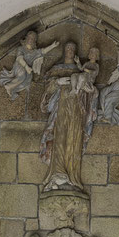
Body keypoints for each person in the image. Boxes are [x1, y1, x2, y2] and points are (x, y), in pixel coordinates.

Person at [38, 42, 99, 192]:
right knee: (60, 137)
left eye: (73, 49)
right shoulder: (56, 69)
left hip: (77, 109)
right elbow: (47, 90)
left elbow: (91, 90)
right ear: (64, 51)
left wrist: (88, 89)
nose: (70, 51)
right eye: (68, 48)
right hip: (61, 107)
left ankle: (73, 177)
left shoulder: (83, 71)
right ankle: (57, 172)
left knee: (74, 139)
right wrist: (56, 82)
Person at [0, 31, 59, 100]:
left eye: (33, 39)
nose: (31, 40)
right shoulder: (21, 49)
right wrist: (26, 67)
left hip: (28, 69)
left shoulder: (34, 52)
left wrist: (52, 46)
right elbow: (19, 58)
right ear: (26, 38)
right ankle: (8, 86)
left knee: (28, 79)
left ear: (35, 41)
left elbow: (43, 51)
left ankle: (13, 88)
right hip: (20, 65)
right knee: (23, 74)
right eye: (30, 37)